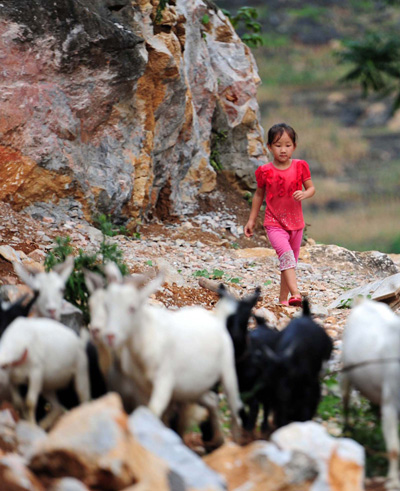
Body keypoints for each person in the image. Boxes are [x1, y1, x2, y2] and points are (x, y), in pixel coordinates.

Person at [244, 123, 315, 307]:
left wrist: (305, 194)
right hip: (274, 222)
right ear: (269, 147)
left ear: (294, 146)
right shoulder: (264, 171)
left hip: (297, 224)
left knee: (289, 263)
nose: (283, 150)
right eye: (278, 145)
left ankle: (283, 301)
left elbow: (311, 188)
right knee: (286, 256)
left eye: (287, 145)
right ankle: (296, 294)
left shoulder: (301, 166)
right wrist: (252, 220)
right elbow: (259, 194)